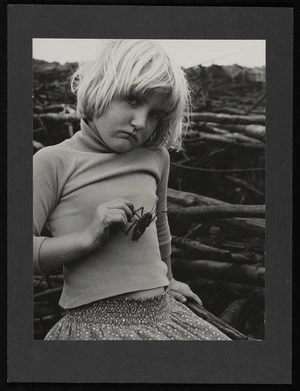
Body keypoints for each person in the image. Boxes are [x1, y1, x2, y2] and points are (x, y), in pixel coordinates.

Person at [33, 39, 230, 341]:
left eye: (155, 114)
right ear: (100, 87)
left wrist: (170, 279)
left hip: (164, 314)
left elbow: (160, 227)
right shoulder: (52, 161)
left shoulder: (156, 158)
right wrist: (86, 238)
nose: (140, 122)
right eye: (133, 100)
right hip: (95, 326)